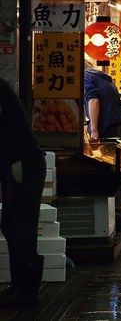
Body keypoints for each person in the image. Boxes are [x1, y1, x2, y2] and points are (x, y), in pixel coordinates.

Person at [0, 77, 47, 309]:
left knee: (21, 227)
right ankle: (19, 287)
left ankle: (27, 293)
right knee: (11, 224)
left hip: (23, 163)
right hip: (19, 162)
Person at [84, 63, 121, 141]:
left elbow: (93, 100)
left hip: (109, 130)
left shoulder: (85, 76)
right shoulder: (102, 78)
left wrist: (94, 130)